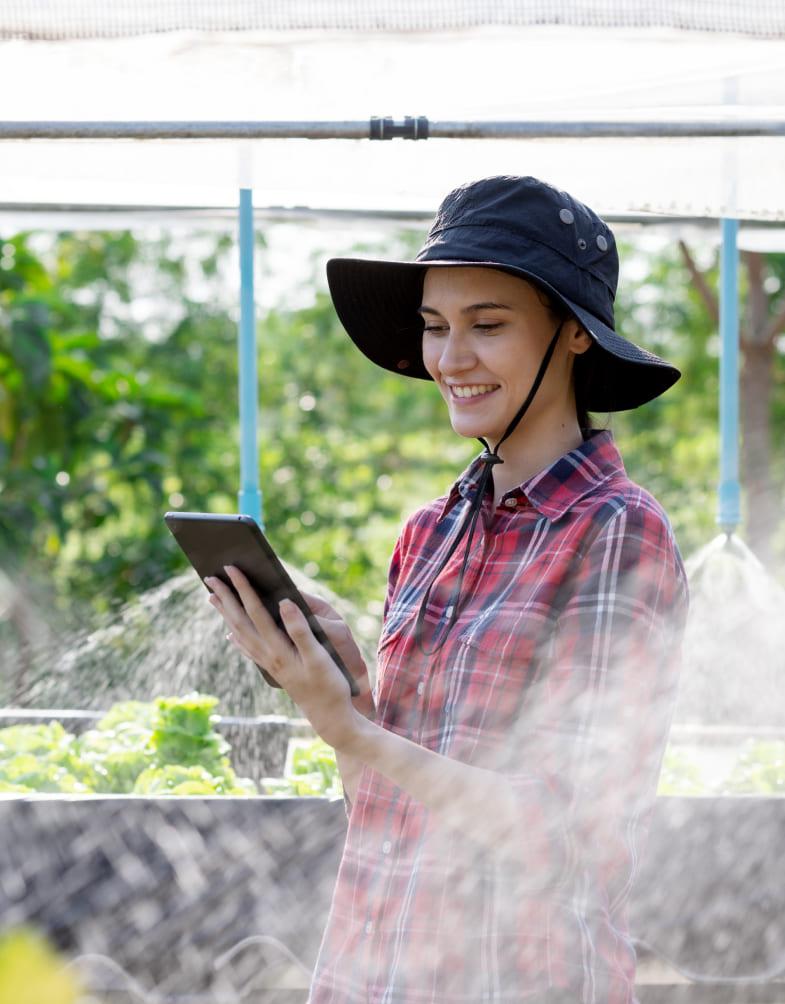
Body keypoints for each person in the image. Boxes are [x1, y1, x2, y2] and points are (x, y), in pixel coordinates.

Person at [206, 176, 689, 1003]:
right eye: (434, 328)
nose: (449, 359)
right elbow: (383, 803)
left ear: (574, 335)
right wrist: (346, 695)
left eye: (486, 325)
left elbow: (565, 836)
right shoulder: (430, 532)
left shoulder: (614, 535)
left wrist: (352, 733)